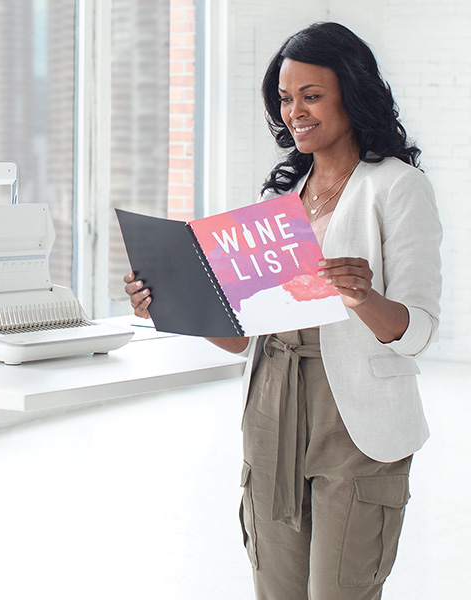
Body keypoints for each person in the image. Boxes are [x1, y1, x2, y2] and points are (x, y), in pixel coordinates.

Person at [124, 22, 442, 600]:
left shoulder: (396, 187)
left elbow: (418, 331)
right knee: (277, 589)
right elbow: (244, 336)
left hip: (356, 419)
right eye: (286, 97)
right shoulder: (278, 200)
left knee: (340, 591)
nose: (295, 111)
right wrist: (170, 303)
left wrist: (363, 298)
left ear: (353, 91)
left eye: (312, 95)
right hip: (271, 399)